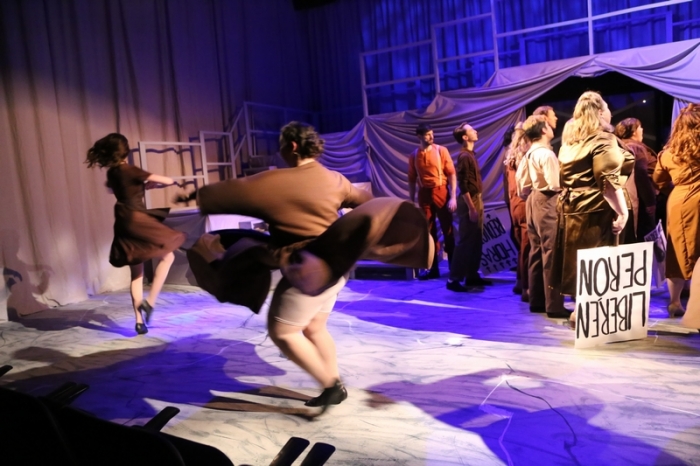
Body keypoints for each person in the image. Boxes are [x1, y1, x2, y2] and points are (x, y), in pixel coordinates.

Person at [185, 121, 432, 413]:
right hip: (336, 269)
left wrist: (196, 196)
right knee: (314, 327)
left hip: (306, 273)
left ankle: (331, 385)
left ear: (291, 146)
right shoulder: (334, 179)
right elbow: (367, 202)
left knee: (283, 332)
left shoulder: (275, 181)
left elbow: (233, 191)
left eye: (281, 147)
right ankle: (333, 385)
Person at [86, 133, 185, 335]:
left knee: (136, 273)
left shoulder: (113, 173)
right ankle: (150, 302)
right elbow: (166, 180)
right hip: (137, 218)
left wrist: (143, 186)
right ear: (125, 151)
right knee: (169, 255)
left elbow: (120, 190)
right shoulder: (130, 170)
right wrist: (168, 181)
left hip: (123, 220)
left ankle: (139, 322)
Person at [554, 92, 634, 317]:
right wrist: (622, 212)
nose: (610, 112)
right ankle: (593, 315)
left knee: (580, 260)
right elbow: (608, 182)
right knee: (600, 262)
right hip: (597, 210)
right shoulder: (602, 139)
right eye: (607, 107)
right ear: (600, 112)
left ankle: (581, 310)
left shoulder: (570, 142)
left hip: (572, 208)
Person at [652, 104, 700, 323]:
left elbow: (658, 180)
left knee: (678, 252)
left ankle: (675, 302)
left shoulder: (670, 153)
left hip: (680, 202)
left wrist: (675, 188)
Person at [517, 115, 567, 318]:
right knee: (551, 253)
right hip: (547, 199)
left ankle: (537, 301)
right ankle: (554, 305)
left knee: (536, 251)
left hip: (533, 200)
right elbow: (554, 184)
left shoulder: (529, 154)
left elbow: (521, 185)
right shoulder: (546, 154)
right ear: (544, 130)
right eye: (548, 125)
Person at [408, 123, 457, 279]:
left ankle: (453, 268)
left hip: (441, 191)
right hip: (424, 194)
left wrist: (453, 197)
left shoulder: (441, 150)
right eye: (428, 134)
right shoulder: (414, 155)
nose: (431, 137)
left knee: (448, 229)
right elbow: (411, 180)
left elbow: (451, 174)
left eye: (432, 134)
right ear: (419, 136)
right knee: (428, 232)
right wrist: (411, 201)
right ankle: (433, 269)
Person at [446, 122, 491, 292]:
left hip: (476, 198)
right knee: (466, 240)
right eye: (472, 130)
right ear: (465, 137)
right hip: (469, 201)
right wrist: (472, 208)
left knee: (476, 239)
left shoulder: (470, 155)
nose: (476, 131)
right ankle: (453, 279)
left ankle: (471, 275)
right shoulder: (464, 156)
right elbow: (463, 185)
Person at [614, 118, 657, 241]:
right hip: (642, 199)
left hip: (632, 199)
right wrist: (650, 202)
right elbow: (641, 173)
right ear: (634, 132)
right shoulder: (635, 147)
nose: (642, 130)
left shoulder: (620, 146)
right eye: (640, 127)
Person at [503, 122, 530, 302]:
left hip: (515, 205)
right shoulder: (521, 160)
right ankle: (527, 287)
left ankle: (521, 282)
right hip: (523, 204)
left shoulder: (510, 158)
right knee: (527, 247)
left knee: (522, 247)